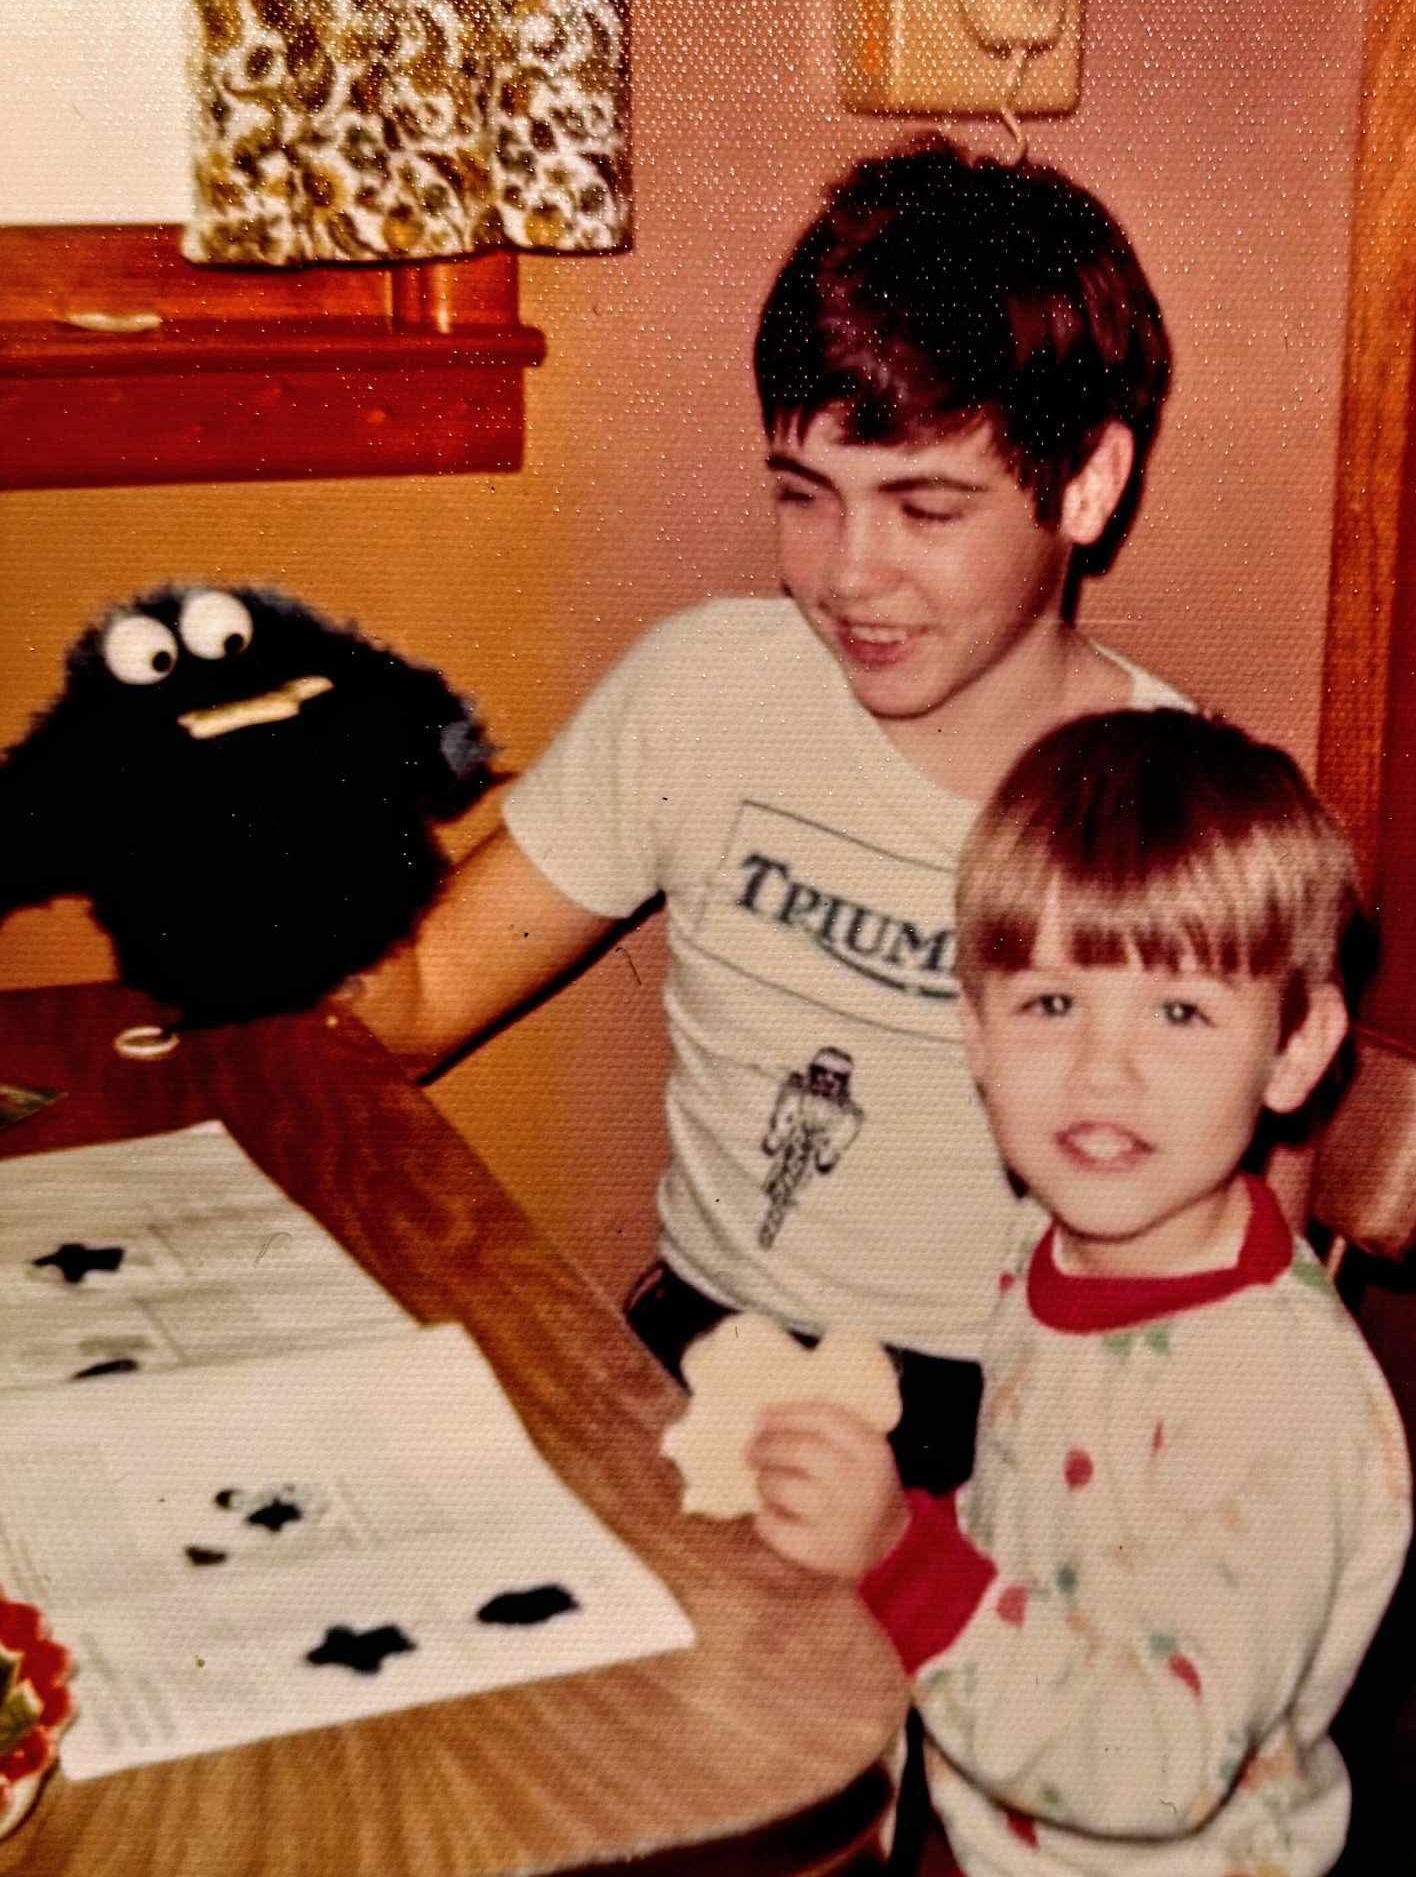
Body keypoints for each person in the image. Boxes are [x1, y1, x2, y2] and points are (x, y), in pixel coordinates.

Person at [343, 135, 1182, 1495]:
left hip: (1015, 1425)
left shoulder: (1177, 816)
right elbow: (426, 987)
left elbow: (1226, 1306)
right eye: (805, 496)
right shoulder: (704, 691)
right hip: (705, 1367)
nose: (848, 575)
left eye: (925, 507)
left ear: (1085, 484)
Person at [747, 707, 1413, 1877]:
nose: (1104, 1070)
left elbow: (1162, 1757)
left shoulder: (1271, 1394)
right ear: (978, 1036)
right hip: (996, 1825)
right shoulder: (1045, 1244)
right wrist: (903, 1521)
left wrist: (904, 1559)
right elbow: (1052, 1532)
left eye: (1180, 1011)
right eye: (1053, 1004)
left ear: (1296, 1050)